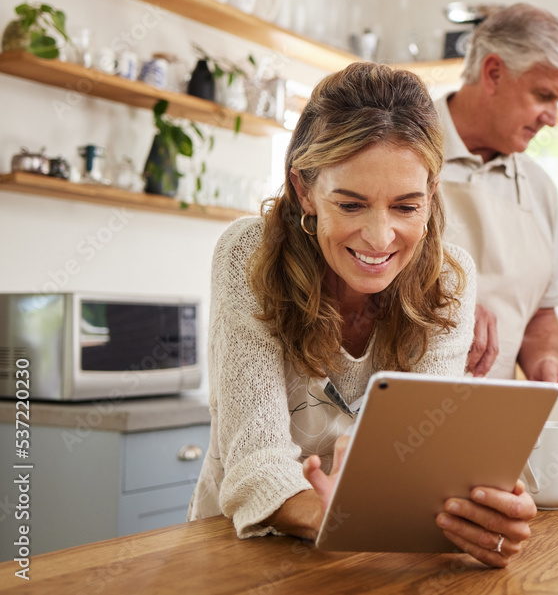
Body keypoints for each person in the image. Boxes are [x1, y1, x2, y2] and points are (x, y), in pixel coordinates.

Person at [189, 62, 536, 568]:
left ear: (432, 192)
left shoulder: (449, 278)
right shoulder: (249, 254)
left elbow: (427, 469)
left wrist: (483, 511)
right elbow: (253, 461)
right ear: (304, 190)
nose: (379, 238)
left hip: (377, 553)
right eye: (350, 205)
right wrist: (335, 516)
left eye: (405, 207)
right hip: (243, 554)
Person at [435, 3, 558, 388]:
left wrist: (544, 361)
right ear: (494, 73)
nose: (552, 118)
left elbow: (541, 315)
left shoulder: (539, 188)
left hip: (496, 421)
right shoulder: (399, 152)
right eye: (543, 95)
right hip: (395, 409)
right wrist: (438, 313)